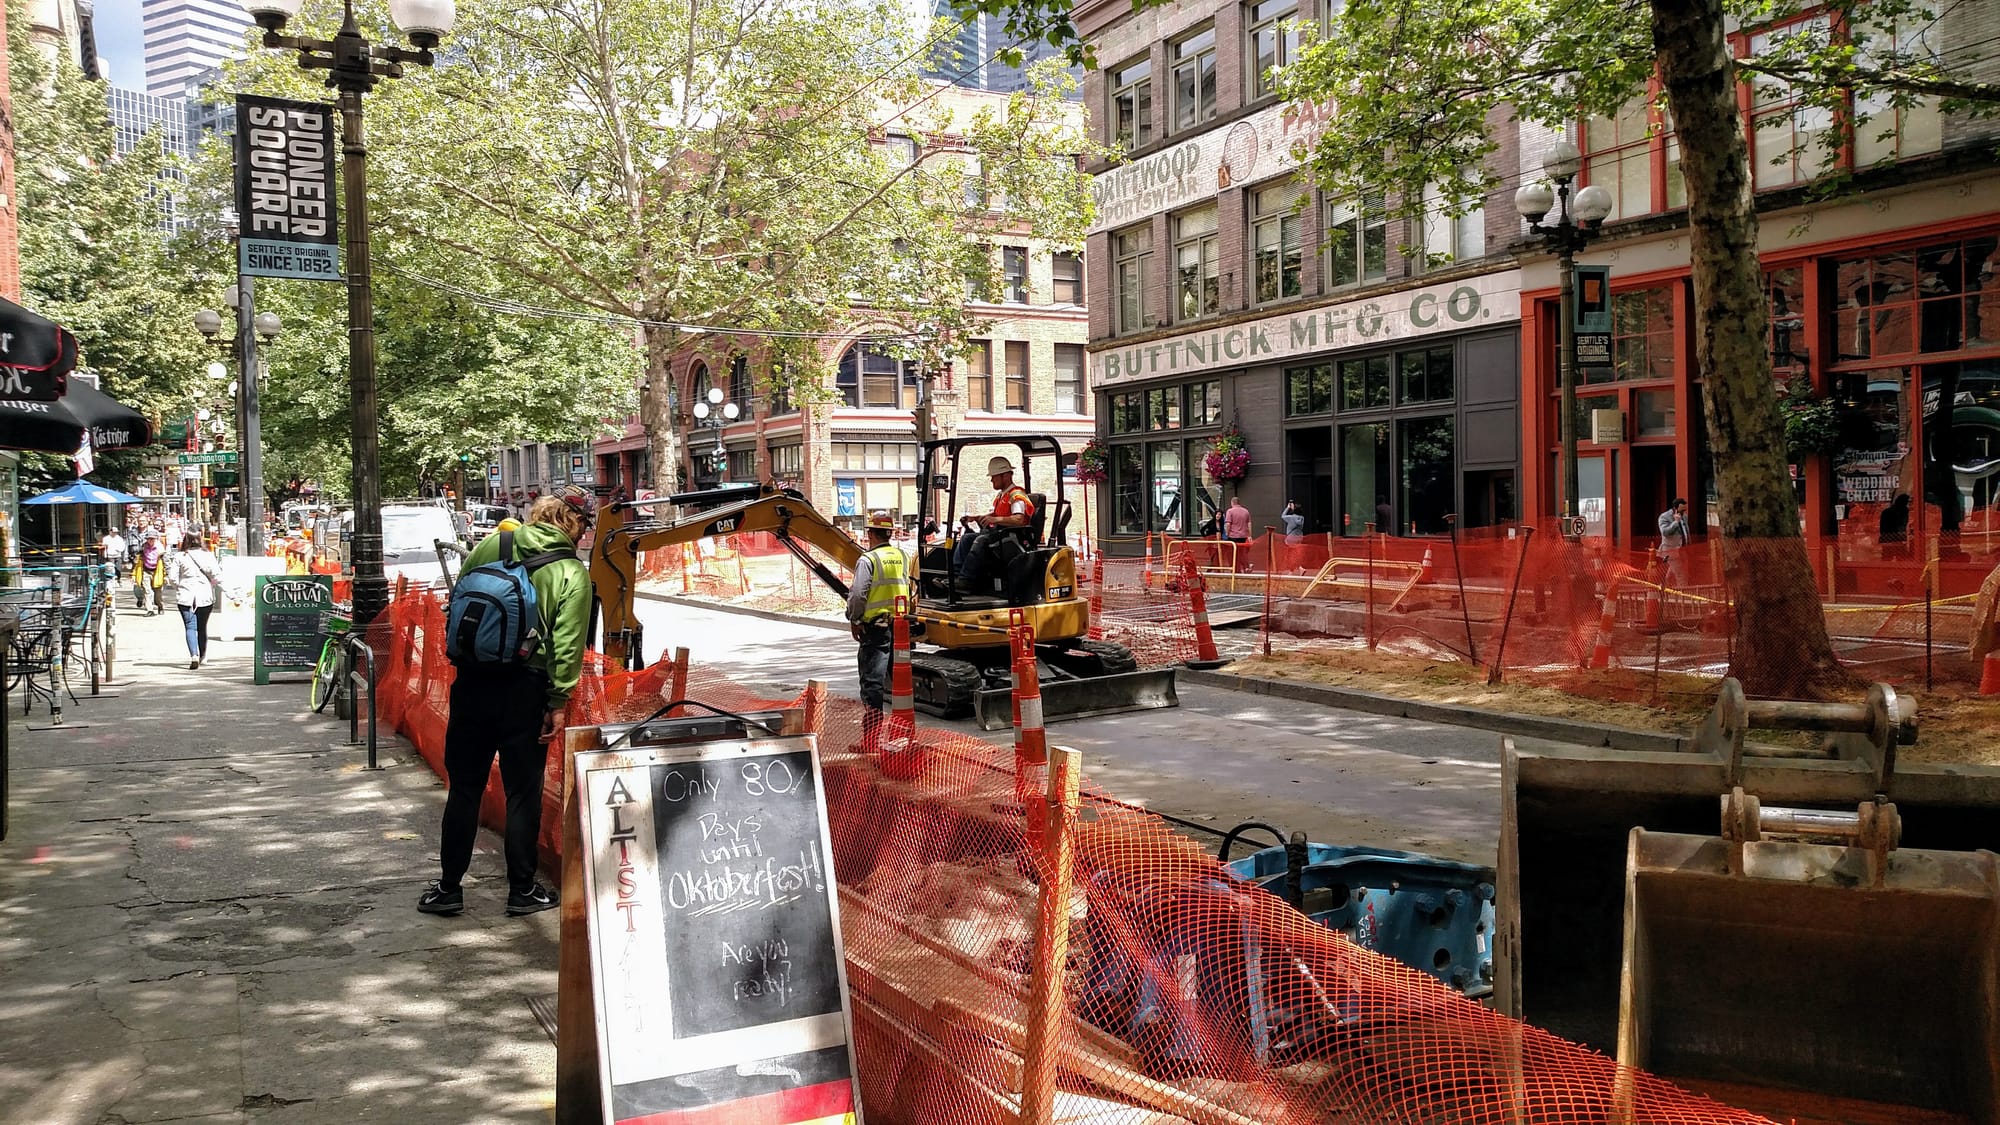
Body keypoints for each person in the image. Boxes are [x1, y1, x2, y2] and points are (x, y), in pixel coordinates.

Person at [420, 483, 594, 918]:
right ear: (576, 525)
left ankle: (448, 890)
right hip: (526, 691)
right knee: (522, 792)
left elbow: (457, 604)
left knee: (464, 788)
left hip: (473, 683)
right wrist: (557, 702)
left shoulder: (492, 544)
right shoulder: (572, 573)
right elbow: (567, 646)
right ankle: (521, 890)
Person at [847, 511, 908, 748]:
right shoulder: (901, 556)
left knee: (872, 685)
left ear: (870, 533)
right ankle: (901, 738)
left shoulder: (868, 560)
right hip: (901, 627)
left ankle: (871, 742)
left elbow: (858, 595)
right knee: (902, 685)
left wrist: (855, 619)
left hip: (877, 628)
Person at [952, 455, 1036, 593]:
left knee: (981, 540)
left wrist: (996, 520)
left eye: (994, 476)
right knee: (967, 538)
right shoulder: (1002, 495)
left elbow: (1019, 519)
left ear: (1006, 476)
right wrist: (976, 517)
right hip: (1000, 536)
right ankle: (956, 577)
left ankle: (967, 580)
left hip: (1013, 539)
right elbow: (996, 515)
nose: (991, 480)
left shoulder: (1016, 495)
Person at [169, 531, 226, 669]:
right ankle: (203, 656)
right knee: (202, 627)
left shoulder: (179, 556)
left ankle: (193, 655)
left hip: (186, 595)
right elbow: (217, 575)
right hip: (205, 595)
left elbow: (172, 578)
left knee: (190, 626)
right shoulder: (208, 555)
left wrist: (179, 586)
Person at [1657, 497, 1691, 587]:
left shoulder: (1685, 516)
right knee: (1680, 574)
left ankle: (1663, 588)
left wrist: (1688, 545)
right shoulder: (1664, 517)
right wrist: (1675, 522)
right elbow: (1665, 532)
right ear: (1676, 508)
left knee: (1672, 573)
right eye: (1682, 510)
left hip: (1682, 550)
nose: (1684, 512)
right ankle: (1684, 596)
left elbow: (1686, 532)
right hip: (1670, 551)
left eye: (1685, 510)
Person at [136, 529, 167, 615]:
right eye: (149, 538)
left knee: (158, 593)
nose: (150, 540)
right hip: (146, 570)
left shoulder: (160, 549)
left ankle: (160, 606)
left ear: (156, 539)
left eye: (152, 539)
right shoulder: (143, 547)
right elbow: (138, 559)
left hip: (157, 572)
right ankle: (150, 610)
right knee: (147, 590)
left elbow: (166, 562)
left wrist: (167, 575)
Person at [1222, 495, 1252, 571]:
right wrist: (1249, 535)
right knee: (1242, 552)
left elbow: (1228, 524)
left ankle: (1236, 569)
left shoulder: (1230, 511)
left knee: (1233, 553)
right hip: (1243, 535)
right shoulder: (1246, 511)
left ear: (1232, 503)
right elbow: (1249, 524)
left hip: (1233, 536)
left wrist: (1227, 534)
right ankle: (1246, 567)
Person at [1879, 493, 1912, 558]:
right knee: (1901, 559)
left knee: (1888, 558)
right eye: (1908, 502)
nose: (1909, 505)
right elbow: (1901, 524)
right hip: (1896, 538)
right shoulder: (1902, 511)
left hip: (1888, 538)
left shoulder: (1886, 511)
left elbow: (1882, 527)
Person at [1280, 500, 1305, 574]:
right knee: (1296, 553)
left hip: (1291, 538)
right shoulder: (1302, 518)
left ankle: (1294, 570)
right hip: (1299, 537)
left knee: (1290, 554)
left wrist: (1288, 508)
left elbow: (1283, 516)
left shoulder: (1291, 517)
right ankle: (1298, 569)